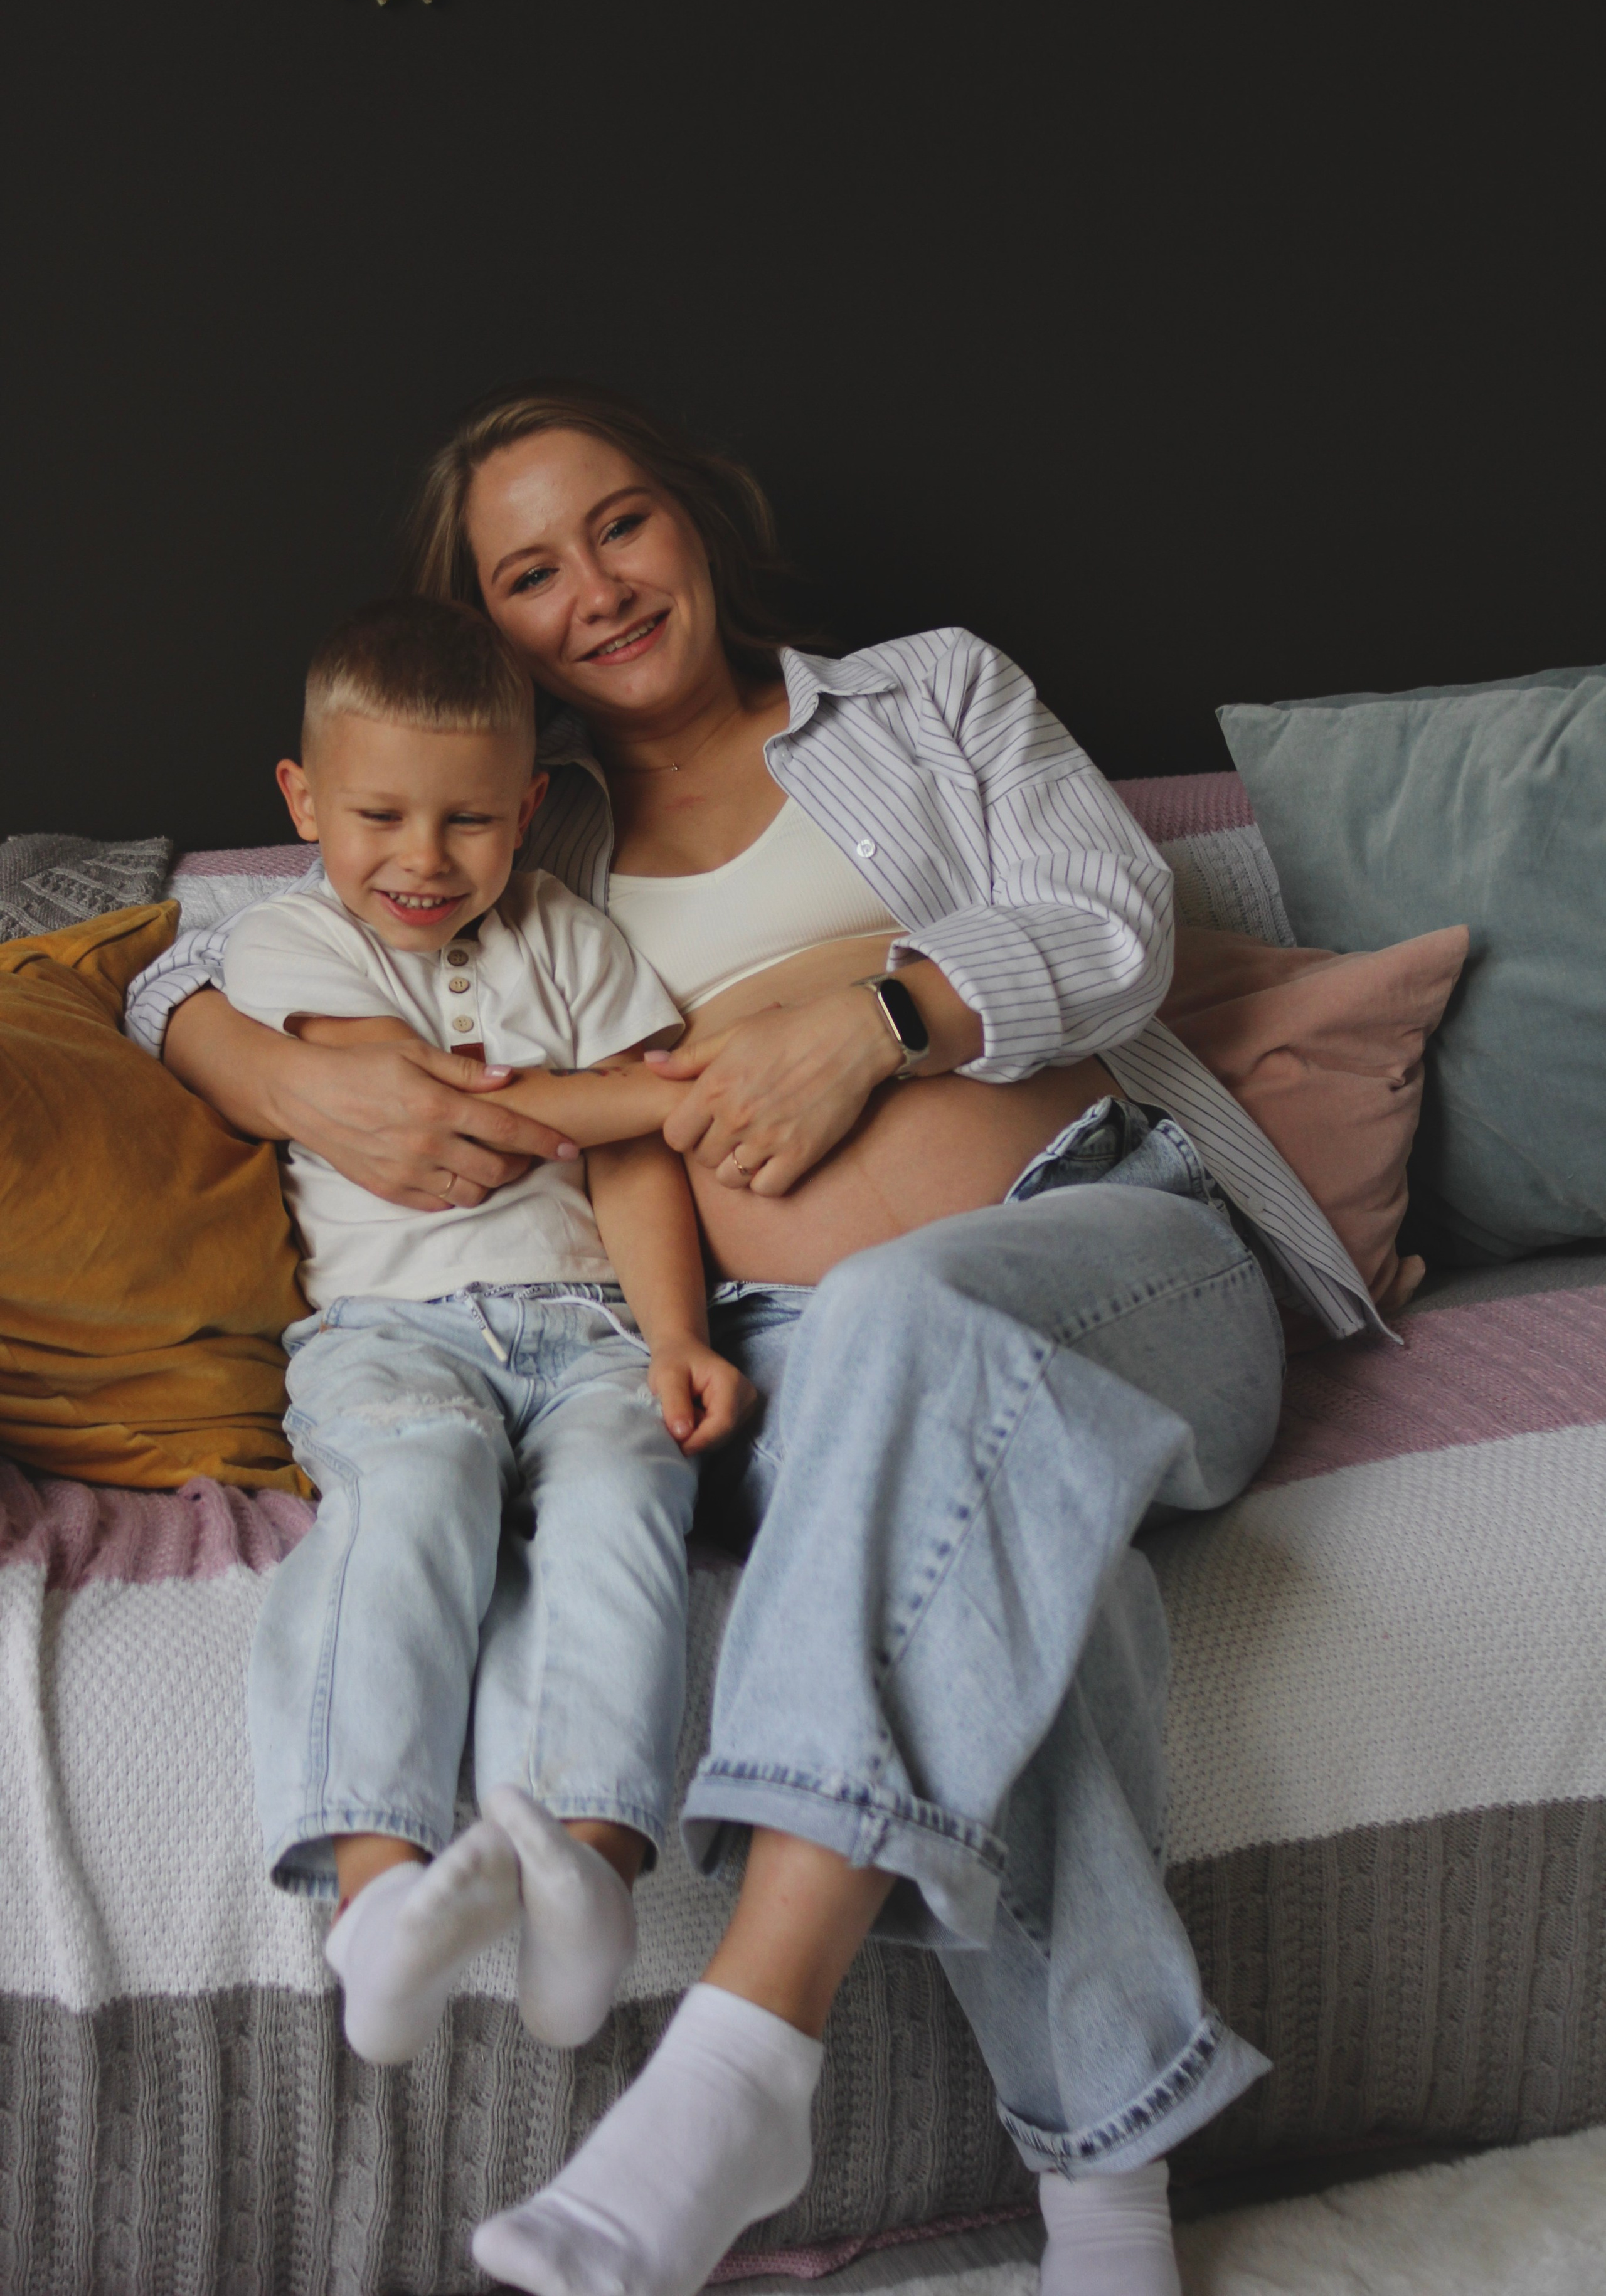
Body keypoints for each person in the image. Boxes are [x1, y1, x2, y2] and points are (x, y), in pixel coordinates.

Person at [129, 383, 1380, 2296]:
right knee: (1038, 1577)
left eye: (620, 525)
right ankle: (1111, 2207)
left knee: (921, 1318)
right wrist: (275, 1077)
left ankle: (747, 2046)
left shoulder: (928, 697)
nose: (596, 590)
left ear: (696, 520)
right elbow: (188, 968)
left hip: (1111, 1248)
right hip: (792, 1359)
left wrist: (880, 1020)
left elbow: (1114, 914)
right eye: (527, 573)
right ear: (491, 632)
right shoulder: (504, 839)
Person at [223, 592, 753, 2070]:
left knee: (628, 1489)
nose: (420, 858)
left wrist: (670, 1339)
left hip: (585, 1325)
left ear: (527, 809)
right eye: (378, 814)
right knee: (422, 1488)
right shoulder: (284, 942)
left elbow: (643, 1168)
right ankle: (378, 1897)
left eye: (466, 821)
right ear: (303, 801)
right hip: (394, 1333)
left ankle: (585, 1859)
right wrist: (645, 1087)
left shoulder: (572, 942)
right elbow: (457, 1109)